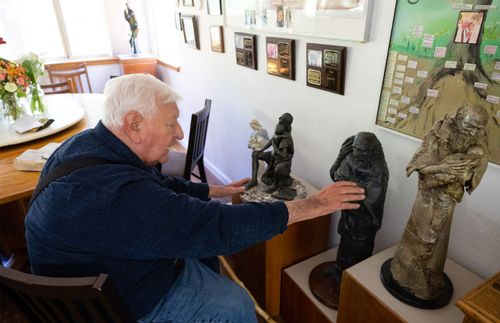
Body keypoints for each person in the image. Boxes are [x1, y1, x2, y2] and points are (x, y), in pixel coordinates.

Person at [25, 74, 365, 323]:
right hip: (107, 304)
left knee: (204, 257)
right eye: (172, 123)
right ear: (134, 124)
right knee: (236, 305)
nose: (179, 134)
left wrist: (213, 190)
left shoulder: (91, 144)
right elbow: (217, 227)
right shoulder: (118, 197)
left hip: (92, 271)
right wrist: (314, 206)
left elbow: (157, 186)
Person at [390, 104, 489, 301]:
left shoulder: (478, 138)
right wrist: (442, 167)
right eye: (470, 126)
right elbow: (419, 166)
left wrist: (469, 169)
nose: (474, 132)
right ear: (459, 119)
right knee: (420, 235)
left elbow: (478, 168)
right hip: (428, 196)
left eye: (479, 128)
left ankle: (430, 275)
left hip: (448, 198)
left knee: (438, 240)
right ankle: (406, 274)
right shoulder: (440, 132)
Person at [330, 132, 389, 286]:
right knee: (344, 244)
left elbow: (370, 200)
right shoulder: (351, 158)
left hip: (365, 221)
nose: (356, 153)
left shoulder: (378, 170)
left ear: (371, 152)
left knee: (357, 252)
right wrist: (340, 156)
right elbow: (335, 176)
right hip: (349, 215)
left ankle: (349, 283)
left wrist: (349, 183)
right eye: (355, 148)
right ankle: (338, 271)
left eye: (360, 151)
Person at [246, 113, 296, 200]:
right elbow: (271, 141)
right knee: (255, 154)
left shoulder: (286, 138)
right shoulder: (279, 129)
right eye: (281, 116)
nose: (279, 118)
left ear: (286, 122)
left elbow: (283, 155)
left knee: (278, 169)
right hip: (274, 155)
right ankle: (254, 180)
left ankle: (275, 184)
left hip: (283, 160)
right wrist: (261, 150)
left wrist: (275, 146)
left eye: (282, 117)